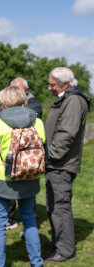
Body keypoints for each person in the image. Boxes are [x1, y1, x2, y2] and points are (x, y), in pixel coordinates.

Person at [0, 86, 45, 267]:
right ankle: (36, 262)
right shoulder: (37, 121)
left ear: (5, 102)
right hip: (30, 177)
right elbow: (44, 149)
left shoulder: (0, 122)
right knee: (30, 220)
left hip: (4, 180)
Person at [44, 67, 91, 262]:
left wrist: (50, 155)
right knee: (53, 204)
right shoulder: (66, 98)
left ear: (65, 84)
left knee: (60, 206)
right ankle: (59, 241)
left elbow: (67, 134)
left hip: (61, 164)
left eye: (52, 84)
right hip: (56, 163)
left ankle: (65, 250)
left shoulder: (73, 100)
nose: (49, 88)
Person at [7, 77, 42, 233]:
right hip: (10, 155)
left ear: (26, 90)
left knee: (27, 192)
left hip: (28, 158)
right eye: (12, 89)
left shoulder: (34, 104)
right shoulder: (6, 106)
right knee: (9, 189)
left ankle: (29, 224)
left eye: (17, 89)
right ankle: (11, 219)